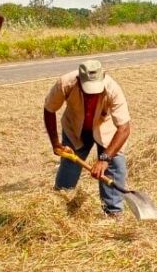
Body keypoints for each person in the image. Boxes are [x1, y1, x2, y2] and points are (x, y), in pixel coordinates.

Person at [44, 60, 132, 219]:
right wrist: (55, 142)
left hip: (105, 130)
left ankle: (113, 212)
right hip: (74, 128)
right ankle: (58, 206)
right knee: (69, 166)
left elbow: (124, 128)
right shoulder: (66, 83)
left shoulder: (112, 89)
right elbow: (49, 109)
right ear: (79, 81)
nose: (92, 94)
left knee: (114, 165)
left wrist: (105, 158)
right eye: (88, 90)